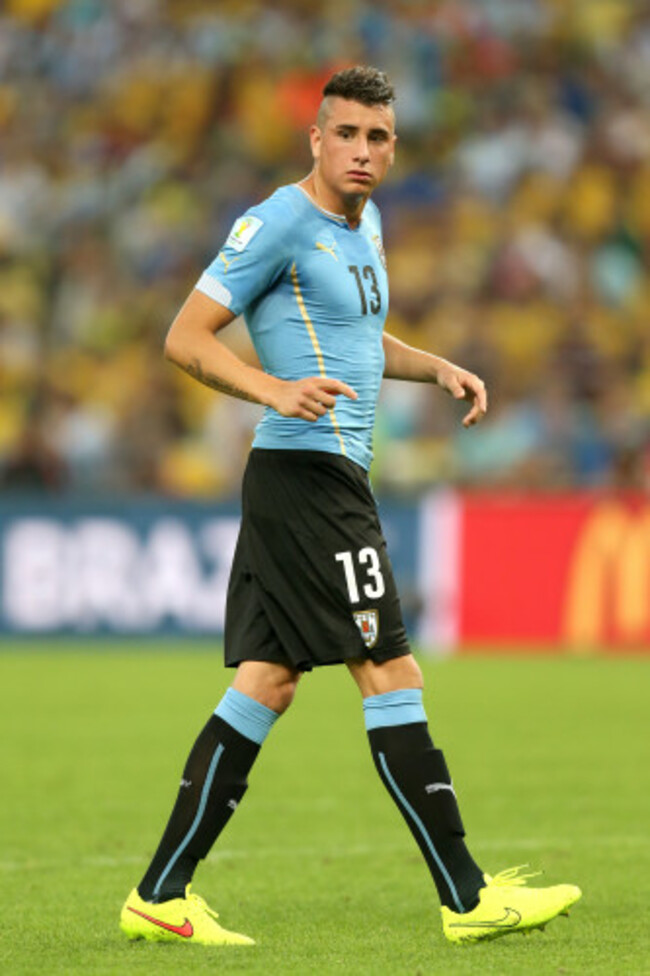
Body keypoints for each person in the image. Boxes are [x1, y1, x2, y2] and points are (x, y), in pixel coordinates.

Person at [120, 65, 581, 947]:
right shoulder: (278, 222)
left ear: (392, 146)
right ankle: (468, 897)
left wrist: (435, 364)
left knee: (268, 682)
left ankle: (159, 894)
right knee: (391, 671)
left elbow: (361, 338)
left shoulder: (366, 229)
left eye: (378, 138)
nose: (363, 152)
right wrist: (270, 388)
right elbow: (184, 336)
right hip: (310, 477)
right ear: (316, 139)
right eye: (347, 135)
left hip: (317, 478)